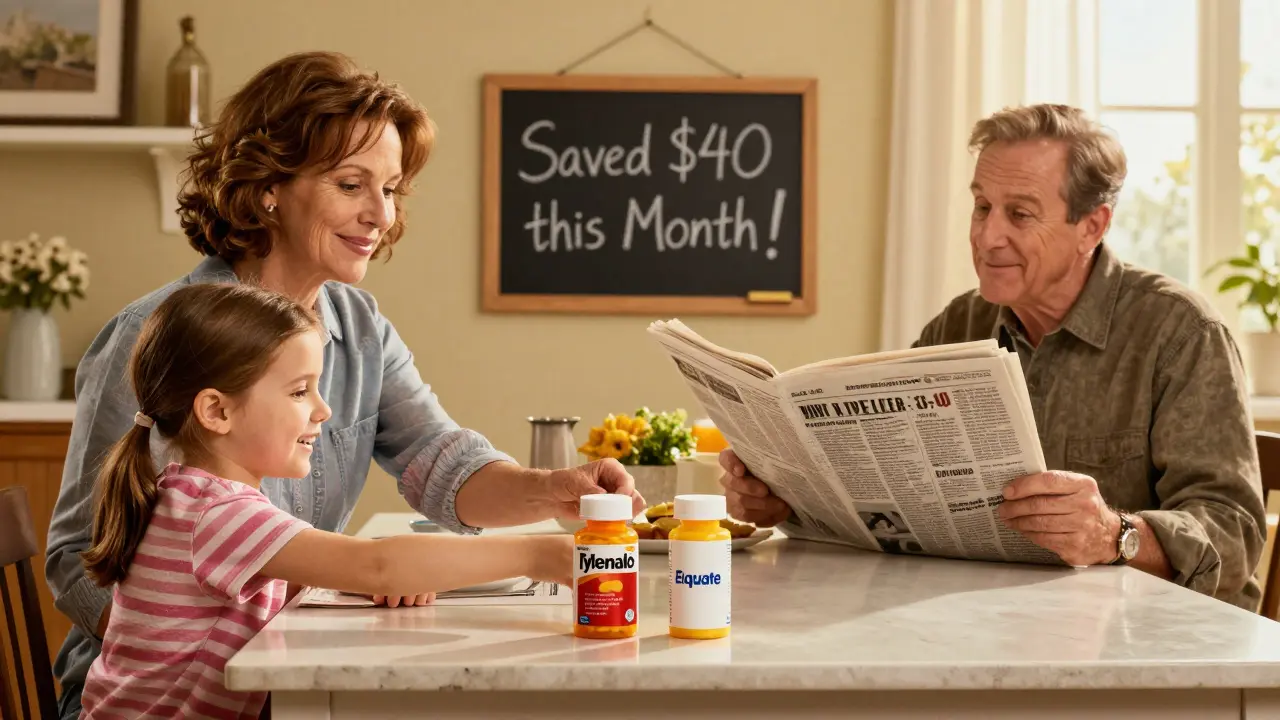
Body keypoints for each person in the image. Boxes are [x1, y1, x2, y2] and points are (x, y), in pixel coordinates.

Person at [45, 51, 642, 719]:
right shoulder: (160, 336)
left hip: (276, 669)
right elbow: (76, 560)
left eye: (391, 189)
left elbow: (441, 462)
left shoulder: (356, 324)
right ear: (269, 185)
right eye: (352, 185)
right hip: (162, 697)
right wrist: (256, 646)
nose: (381, 216)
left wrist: (551, 492)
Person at [720, 103, 1267, 610]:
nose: (987, 236)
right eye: (982, 206)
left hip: (1152, 650)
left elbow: (1235, 533)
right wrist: (785, 503)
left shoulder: (1181, 334)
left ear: (1092, 226)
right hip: (989, 627)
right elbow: (887, 496)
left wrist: (1112, 534)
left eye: (1020, 214)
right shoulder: (959, 325)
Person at [78, 283, 575, 719]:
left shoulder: (197, 497)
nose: (323, 409)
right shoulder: (217, 513)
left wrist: (383, 576)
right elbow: (378, 564)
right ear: (217, 410)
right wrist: (541, 555)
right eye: (299, 392)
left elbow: (346, 568)